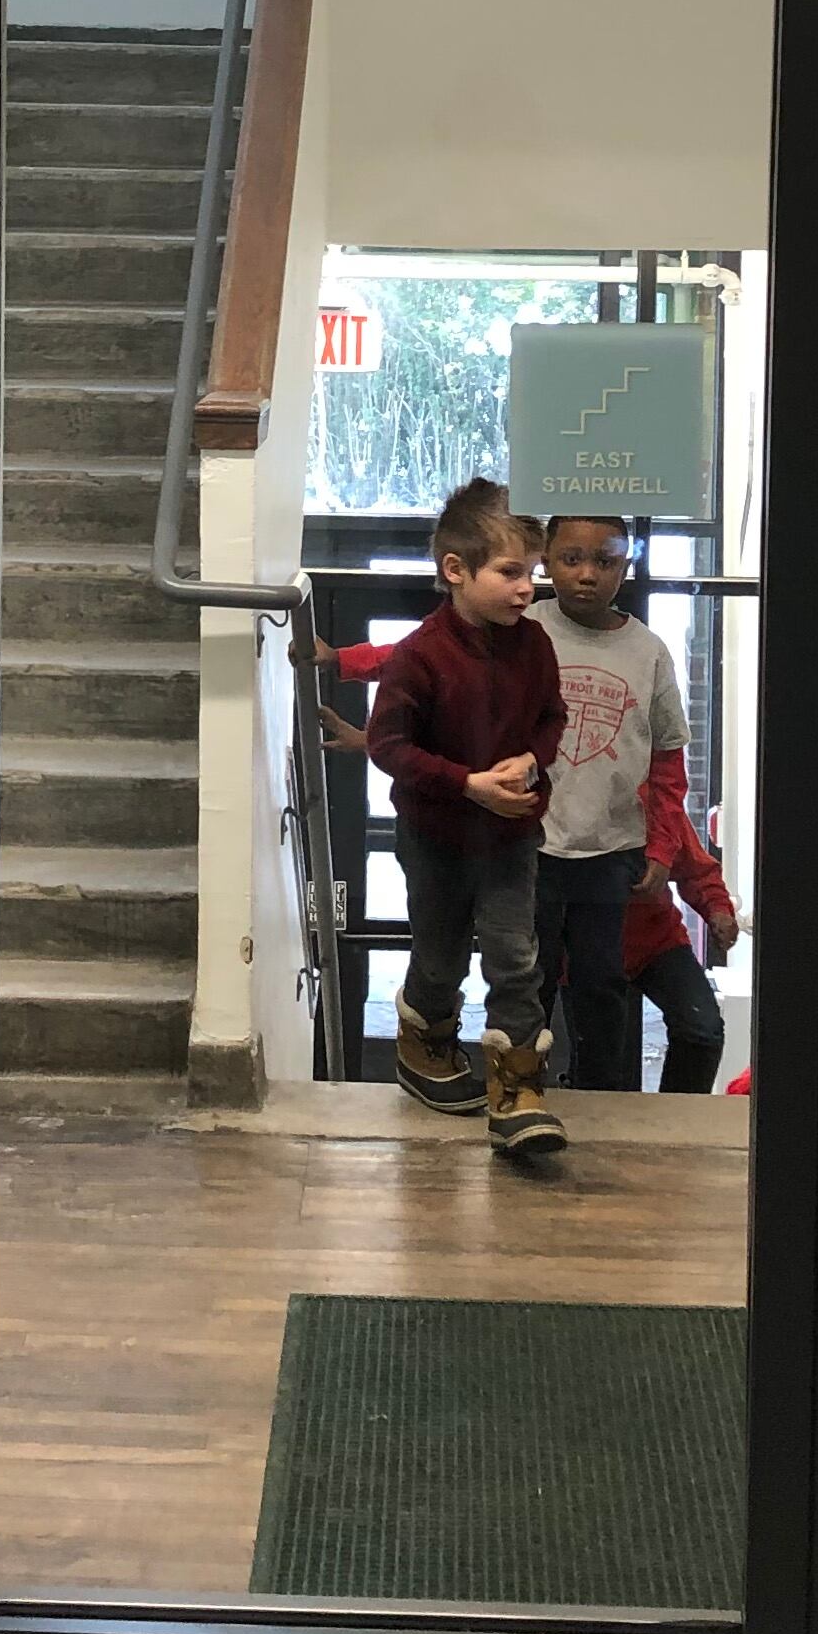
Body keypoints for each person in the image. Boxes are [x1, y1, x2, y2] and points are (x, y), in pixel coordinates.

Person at [363, 477, 569, 1159]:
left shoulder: (535, 646)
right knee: (442, 951)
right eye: (511, 572)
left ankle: (517, 1089)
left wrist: (532, 765)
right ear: (456, 570)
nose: (527, 588)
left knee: (516, 957)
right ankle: (425, 1037)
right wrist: (468, 784)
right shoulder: (418, 656)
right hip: (436, 838)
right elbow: (388, 746)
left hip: (512, 834)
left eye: (531, 574)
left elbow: (551, 719)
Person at [530, 516, 692, 1094]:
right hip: (529, 846)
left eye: (605, 561)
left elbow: (669, 761)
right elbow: (427, 664)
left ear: (627, 566)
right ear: (544, 559)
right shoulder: (522, 625)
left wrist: (664, 847)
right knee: (528, 979)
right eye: (572, 558)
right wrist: (345, 663)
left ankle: (604, 1100)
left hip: (610, 851)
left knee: (601, 983)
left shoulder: (647, 651)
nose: (587, 575)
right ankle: (518, 1092)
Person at [626, 746, 738, 1093]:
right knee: (608, 1068)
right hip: (581, 949)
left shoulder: (648, 798)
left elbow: (694, 866)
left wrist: (718, 909)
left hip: (656, 940)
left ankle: (675, 1120)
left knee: (702, 1032)